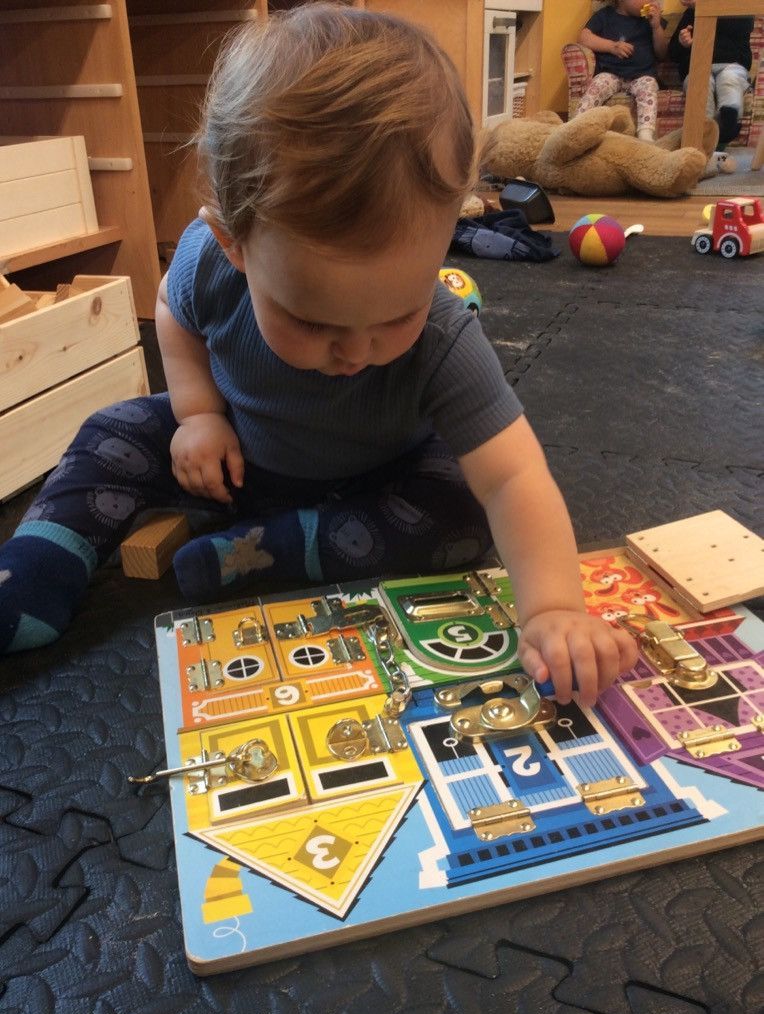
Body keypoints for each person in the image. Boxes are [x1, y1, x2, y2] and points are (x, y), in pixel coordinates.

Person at [0, 4, 637, 704]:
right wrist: (198, 414)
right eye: (312, 321)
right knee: (110, 431)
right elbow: (173, 320)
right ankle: (30, 573)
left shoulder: (444, 335)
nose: (357, 351)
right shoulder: (204, 264)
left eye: (397, 314)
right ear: (233, 245)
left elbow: (515, 477)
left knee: (463, 507)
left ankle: (273, 550)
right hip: (236, 456)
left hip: (374, 481)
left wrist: (552, 609)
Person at [575, 0, 669, 142]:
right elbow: (584, 38)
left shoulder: (651, 21)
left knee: (649, 86)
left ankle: (645, 134)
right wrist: (612, 46)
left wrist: (656, 27)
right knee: (596, 85)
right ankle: (576, 126)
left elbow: (662, 53)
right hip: (611, 73)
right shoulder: (604, 16)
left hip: (642, 75)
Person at [668, 0, 753, 146]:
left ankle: (729, 119)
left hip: (731, 64)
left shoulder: (738, 11)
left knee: (729, 79)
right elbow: (673, 53)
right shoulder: (689, 15)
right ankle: (705, 133)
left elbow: (742, 27)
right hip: (697, 67)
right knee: (701, 84)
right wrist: (683, 43)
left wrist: (706, 9)